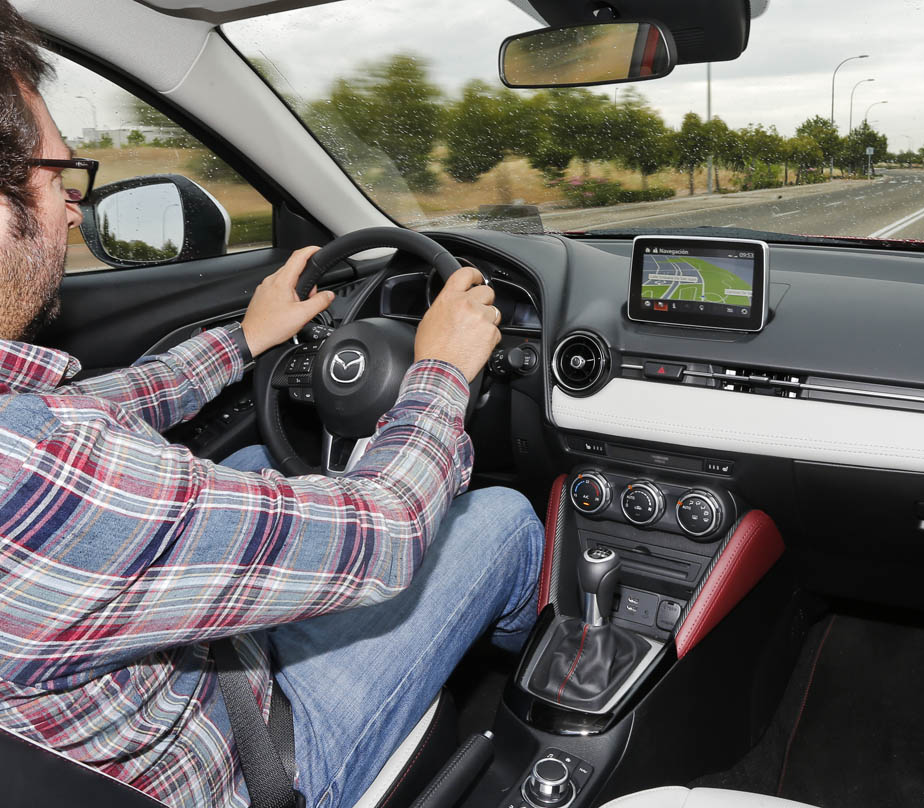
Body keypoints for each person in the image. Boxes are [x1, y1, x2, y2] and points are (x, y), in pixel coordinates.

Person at [0, 5, 543, 808]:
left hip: (122, 720)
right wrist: (440, 369)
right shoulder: (40, 474)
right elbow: (388, 532)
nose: (75, 208)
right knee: (501, 519)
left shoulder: (33, 440)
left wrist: (247, 340)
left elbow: (94, 409)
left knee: (256, 459)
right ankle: (534, 693)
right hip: (259, 761)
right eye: (58, 176)